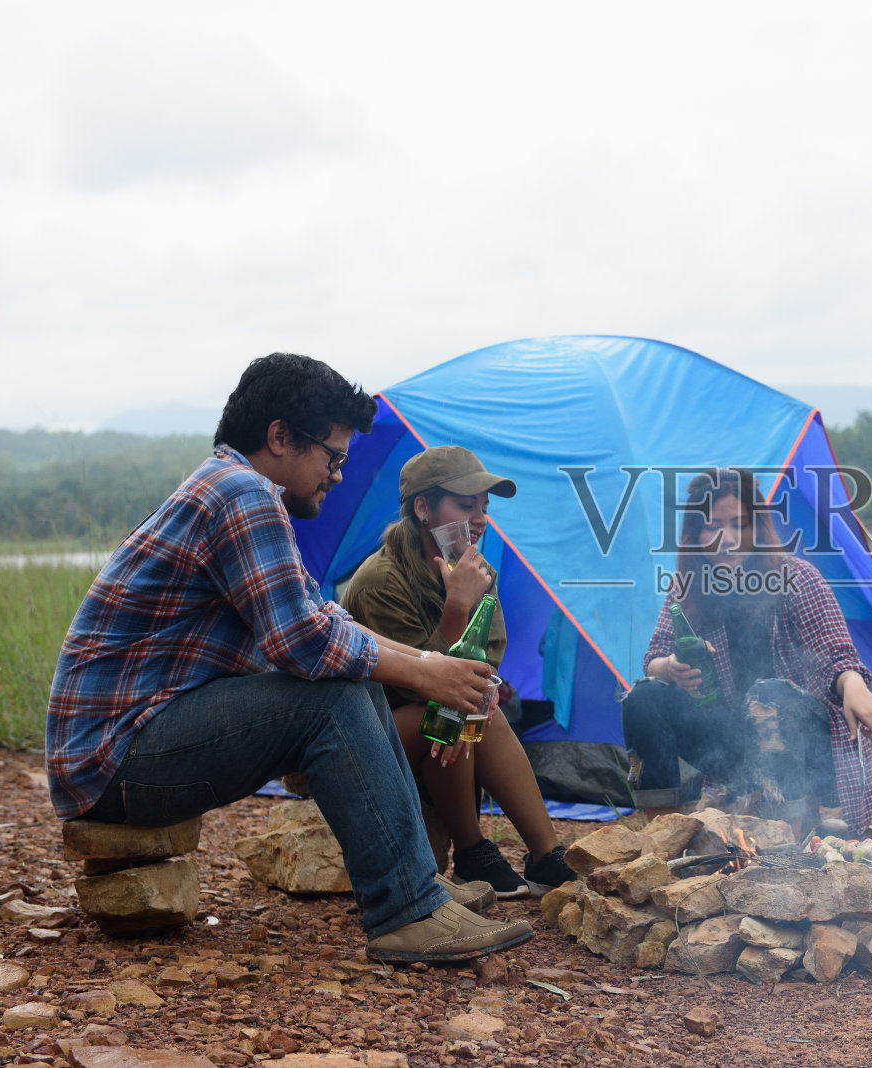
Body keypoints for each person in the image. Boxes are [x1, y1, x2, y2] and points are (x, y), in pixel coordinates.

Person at [46, 352, 533, 964]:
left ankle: (420, 887)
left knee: (354, 676)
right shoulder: (240, 493)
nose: (337, 474)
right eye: (333, 456)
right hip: (114, 757)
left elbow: (325, 621)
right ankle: (406, 910)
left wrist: (440, 672)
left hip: (133, 743)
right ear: (280, 437)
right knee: (334, 691)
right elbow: (302, 643)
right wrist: (428, 671)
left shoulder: (235, 489)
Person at [338, 447, 577, 898]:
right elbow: (412, 678)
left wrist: (467, 612)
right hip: (365, 732)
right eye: (466, 505)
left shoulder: (475, 570)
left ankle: (546, 855)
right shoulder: (380, 581)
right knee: (453, 705)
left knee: (473, 706)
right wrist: (457, 607)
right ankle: (471, 850)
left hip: (432, 725)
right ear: (423, 509)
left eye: (484, 508)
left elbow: (488, 658)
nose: (480, 519)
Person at [621, 468, 872, 836]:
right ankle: (664, 836)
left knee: (769, 694)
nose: (726, 539)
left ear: (757, 528)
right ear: (695, 534)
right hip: (731, 744)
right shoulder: (689, 586)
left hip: (807, 747)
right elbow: (655, 658)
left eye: (738, 525)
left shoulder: (797, 577)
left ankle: (788, 831)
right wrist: (671, 668)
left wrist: (854, 684)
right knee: (643, 695)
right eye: (712, 526)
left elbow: (837, 657)